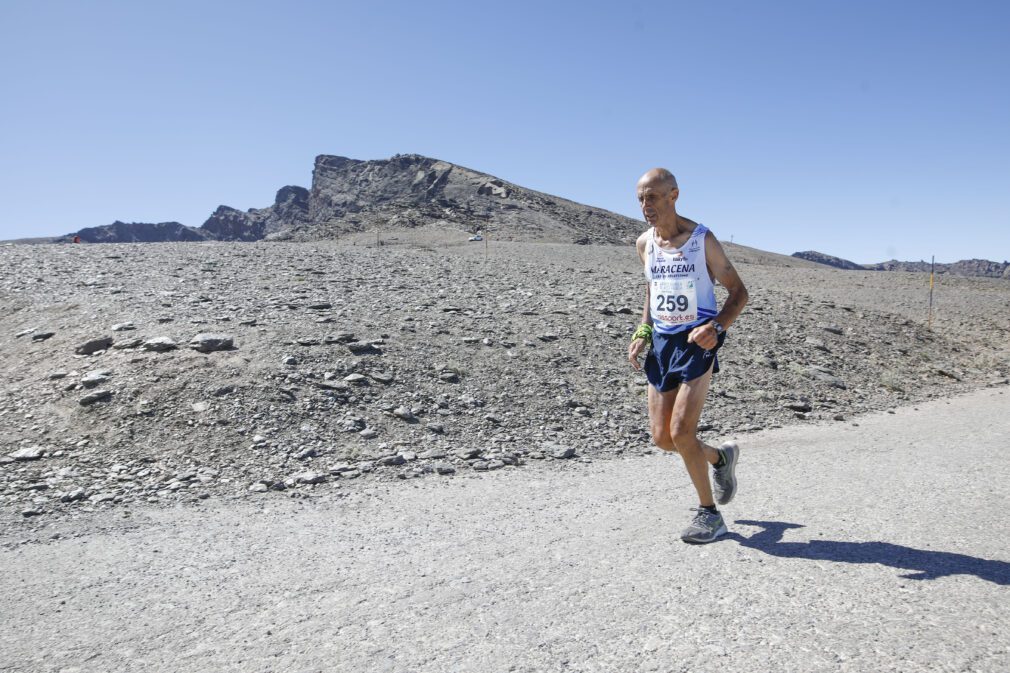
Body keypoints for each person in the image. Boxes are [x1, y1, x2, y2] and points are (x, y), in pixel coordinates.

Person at [628, 168, 749, 543]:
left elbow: (739, 293)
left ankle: (709, 515)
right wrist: (643, 330)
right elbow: (653, 288)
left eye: (652, 197)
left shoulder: (701, 240)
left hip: (698, 343)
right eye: (640, 199)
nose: (646, 205)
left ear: (673, 195)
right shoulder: (644, 243)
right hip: (662, 345)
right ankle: (720, 459)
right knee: (662, 439)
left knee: (682, 432)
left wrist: (717, 328)